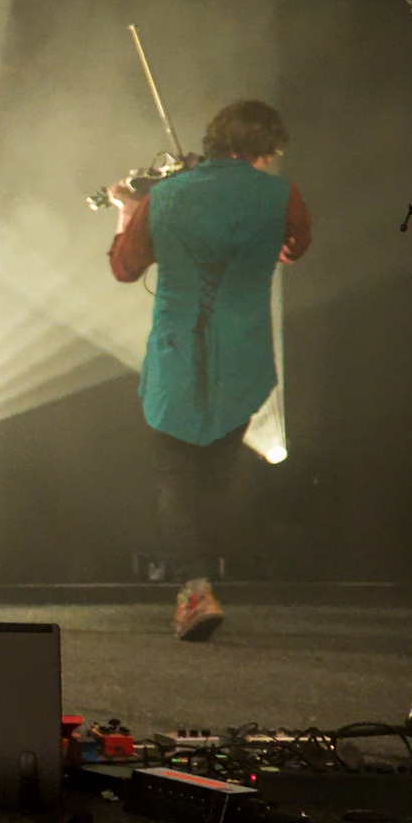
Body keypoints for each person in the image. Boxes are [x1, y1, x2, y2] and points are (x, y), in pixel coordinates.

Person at [108, 99, 310, 642]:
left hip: (179, 355)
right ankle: (201, 584)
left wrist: (129, 210)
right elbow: (296, 246)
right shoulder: (282, 194)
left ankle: (195, 589)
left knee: (176, 472)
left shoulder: (166, 196)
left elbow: (125, 267)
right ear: (265, 149)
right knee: (217, 476)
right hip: (242, 358)